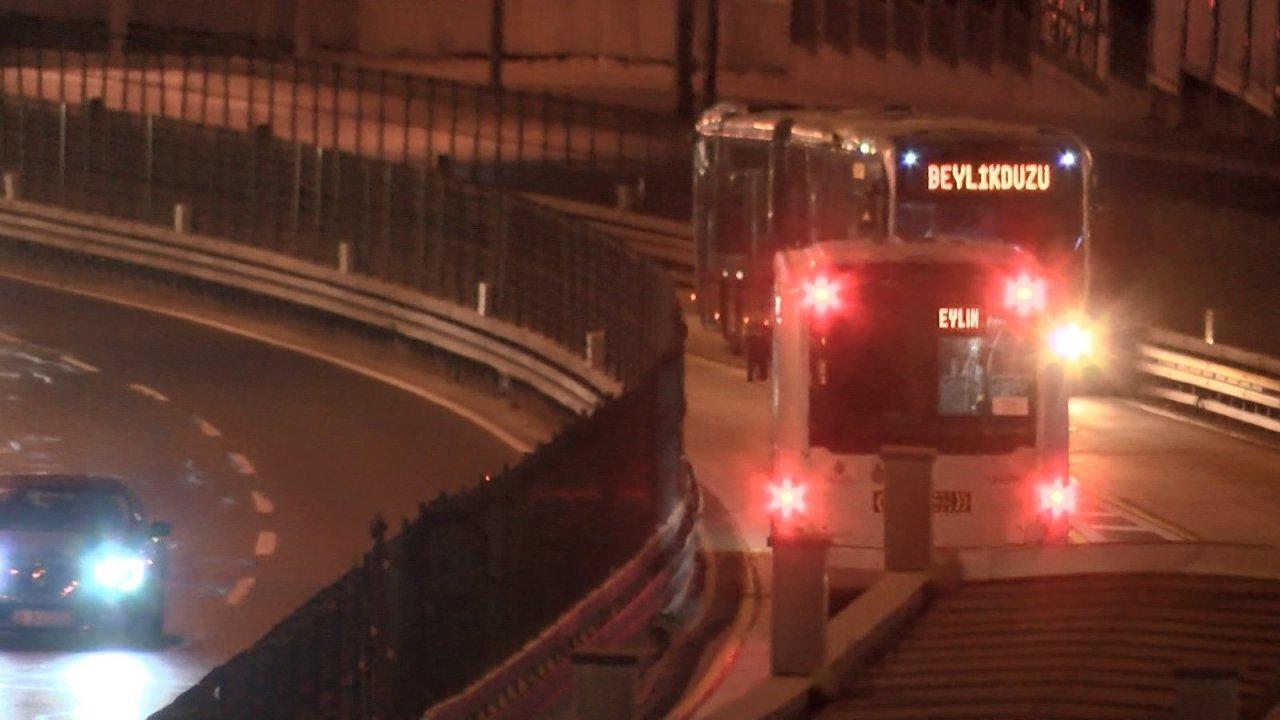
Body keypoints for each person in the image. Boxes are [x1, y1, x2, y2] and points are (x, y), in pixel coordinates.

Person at [744, 317, 772, 382]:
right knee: (758, 364)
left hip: (757, 352)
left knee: (759, 365)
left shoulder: (754, 336)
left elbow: (747, 341)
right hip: (758, 351)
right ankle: (760, 377)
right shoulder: (758, 336)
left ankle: (760, 377)